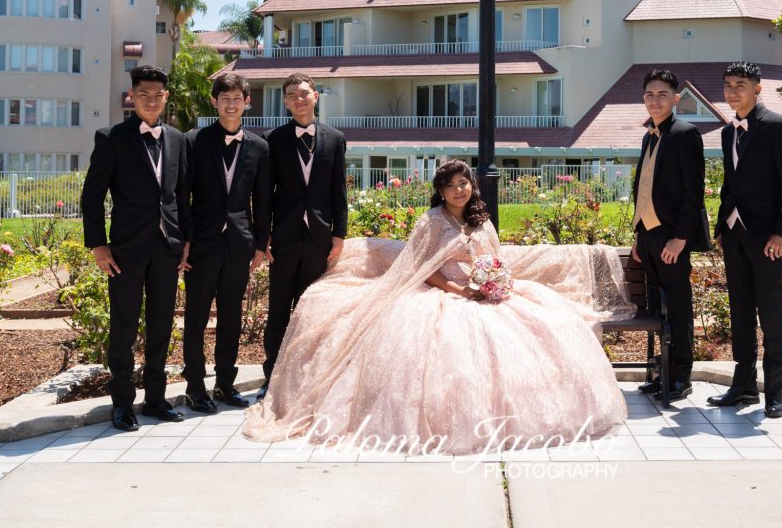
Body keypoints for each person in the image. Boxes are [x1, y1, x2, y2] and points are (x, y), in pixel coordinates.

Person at [244, 160, 633, 455]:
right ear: (442, 193)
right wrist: (459, 291)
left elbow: (495, 261)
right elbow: (421, 269)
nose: (459, 190)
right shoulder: (432, 221)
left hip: (484, 292)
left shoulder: (483, 220)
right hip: (443, 293)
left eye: (464, 183)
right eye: (451, 186)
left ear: (472, 186)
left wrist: (496, 284)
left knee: (542, 327)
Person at [80, 65, 190, 432]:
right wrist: (98, 245)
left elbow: (181, 197)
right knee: (124, 327)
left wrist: (184, 241)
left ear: (166, 97)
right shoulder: (111, 137)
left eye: (158, 95)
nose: (151, 100)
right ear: (132, 96)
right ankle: (122, 405)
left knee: (161, 325)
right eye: (144, 94)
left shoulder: (177, 139)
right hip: (125, 249)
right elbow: (92, 196)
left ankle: (156, 400)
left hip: (167, 247)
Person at [707, 61, 782, 418]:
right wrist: (721, 226)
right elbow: (730, 186)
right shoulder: (727, 131)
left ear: (758, 88)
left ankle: (775, 393)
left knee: (771, 313)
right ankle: (743, 387)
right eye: (729, 85)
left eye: (741, 84)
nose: (733, 90)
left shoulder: (779, 127)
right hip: (734, 235)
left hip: (767, 238)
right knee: (740, 313)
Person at [180, 73, 270, 413]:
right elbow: (181, 195)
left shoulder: (260, 147)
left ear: (247, 102)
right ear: (214, 102)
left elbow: (263, 200)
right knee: (197, 317)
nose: (231, 104)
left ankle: (225, 383)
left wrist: (261, 244)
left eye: (237, 98)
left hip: (239, 245)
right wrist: (185, 240)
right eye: (225, 98)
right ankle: (194, 387)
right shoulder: (193, 141)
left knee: (231, 316)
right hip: (201, 245)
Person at [260, 74, 348, 400]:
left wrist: (339, 235)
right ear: (285, 101)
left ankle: (311, 376)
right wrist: (264, 235)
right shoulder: (273, 139)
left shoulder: (336, 139)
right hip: (283, 237)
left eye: (304, 93)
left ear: (316, 97)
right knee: (280, 307)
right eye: (292, 95)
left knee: (312, 309)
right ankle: (272, 378)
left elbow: (339, 191)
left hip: (320, 238)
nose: (299, 99)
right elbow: (265, 193)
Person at [631, 69, 711, 402]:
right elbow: (644, 187)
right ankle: (660, 373)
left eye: (662, 94)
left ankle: (681, 377)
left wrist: (680, 239)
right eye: (650, 94)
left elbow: (693, 194)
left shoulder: (686, 133)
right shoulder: (649, 136)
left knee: (677, 308)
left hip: (671, 238)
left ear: (676, 98)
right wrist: (637, 234)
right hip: (647, 237)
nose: (655, 100)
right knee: (656, 310)